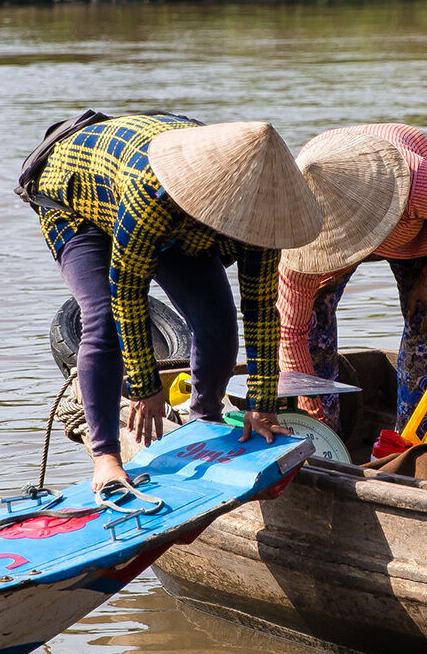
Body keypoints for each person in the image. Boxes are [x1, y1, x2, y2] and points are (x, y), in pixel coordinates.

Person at [24, 113, 323, 492]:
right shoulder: (150, 192)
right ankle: (106, 458)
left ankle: (204, 422)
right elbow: (127, 294)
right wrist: (145, 384)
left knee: (216, 321)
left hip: (182, 218)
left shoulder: (260, 213)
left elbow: (261, 310)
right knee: (102, 319)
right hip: (76, 203)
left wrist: (262, 403)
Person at [279, 124, 427, 436]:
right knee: (311, 330)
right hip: (328, 225)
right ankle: (328, 443)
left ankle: (413, 440)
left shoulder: (415, 183)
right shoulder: (300, 240)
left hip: (414, 229)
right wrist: (307, 399)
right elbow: (291, 330)